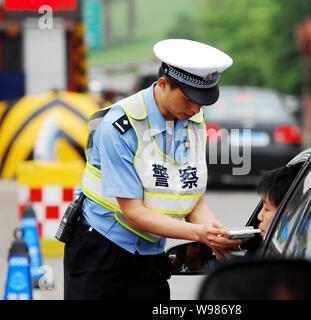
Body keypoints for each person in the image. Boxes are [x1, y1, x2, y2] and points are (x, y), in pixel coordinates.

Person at [63, 39, 241, 300]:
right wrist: (201, 234)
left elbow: (192, 201)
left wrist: (217, 232)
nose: (195, 109)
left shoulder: (192, 119)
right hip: (100, 247)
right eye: (189, 99)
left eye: (203, 102)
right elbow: (134, 213)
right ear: (163, 84)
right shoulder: (119, 125)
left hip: (150, 251)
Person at [256, 163, 303, 239]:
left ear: (287, 210)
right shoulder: (287, 237)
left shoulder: (287, 240)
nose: (259, 217)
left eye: (267, 209)